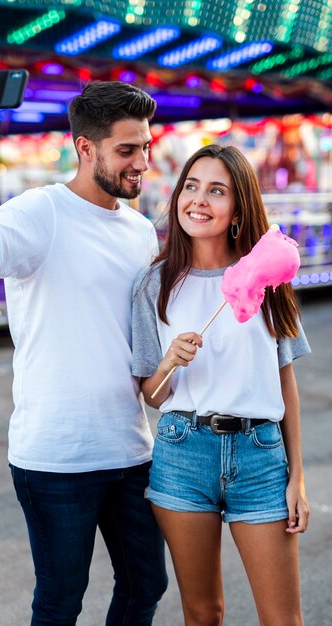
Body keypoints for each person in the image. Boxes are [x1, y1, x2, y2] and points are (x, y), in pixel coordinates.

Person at [0, 65, 167, 626]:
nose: (143, 162)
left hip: (132, 451)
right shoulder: (42, 213)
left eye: (146, 147)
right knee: (60, 601)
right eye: (128, 149)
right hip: (57, 458)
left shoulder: (138, 230)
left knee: (145, 587)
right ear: (86, 148)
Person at [132, 144, 311, 626]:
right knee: (203, 613)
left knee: (282, 619)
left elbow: (284, 386)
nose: (199, 200)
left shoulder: (269, 279)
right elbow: (150, 396)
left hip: (260, 456)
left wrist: (297, 477)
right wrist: (170, 361)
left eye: (217, 190)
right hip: (182, 453)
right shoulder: (155, 284)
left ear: (239, 208)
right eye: (191, 186)